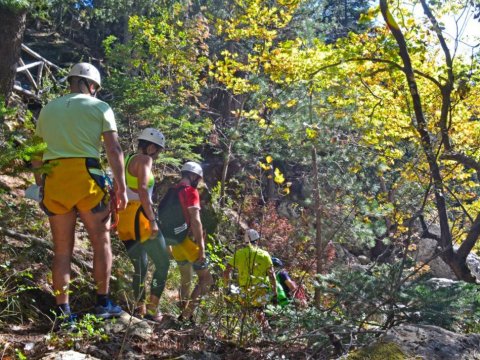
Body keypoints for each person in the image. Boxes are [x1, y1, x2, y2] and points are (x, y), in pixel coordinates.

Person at [31, 62, 128, 325]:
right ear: (91, 85)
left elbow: (36, 154)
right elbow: (113, 149)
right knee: (101, 241)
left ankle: (63, 313)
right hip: (87, 179)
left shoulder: (48, 109)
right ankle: (102, 302)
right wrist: (120, 186)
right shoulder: (100, 107)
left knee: (62, 251)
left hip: (55, 181)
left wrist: (41, 184)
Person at [117, 128, 170, 322]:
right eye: (157, 151)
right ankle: (152, 310)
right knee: (163, 263)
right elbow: (142, 189)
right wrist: (153, 220)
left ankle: (137, 308)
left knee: (140, 265)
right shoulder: (145, 161)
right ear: (150, 147)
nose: (156, 155)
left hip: (124, 217)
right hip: (141, 217)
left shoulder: (127, 159)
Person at [167, 161, 213, 323]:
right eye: (198, 179)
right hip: (189, 243)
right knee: (206, 279)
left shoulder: (171, 191)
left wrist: (168, 246)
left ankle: (183, 315)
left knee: (185, 280)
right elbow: (196, 221)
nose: (198, 182)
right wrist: (201, 247)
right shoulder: (191, 192)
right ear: (193, 176)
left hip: (175, 244)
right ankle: (186, 316)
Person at [223, 229, 278, 330]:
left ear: (245, 241)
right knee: (259, 311)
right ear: (257, 240)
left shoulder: (239, 254)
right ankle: (267, 331)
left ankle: (243, 332)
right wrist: (275, 293)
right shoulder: (265, 255)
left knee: (245, 312)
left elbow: (227, 271)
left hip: (244, 289)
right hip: (261, 289)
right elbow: (272, 276)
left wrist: (227, 287)